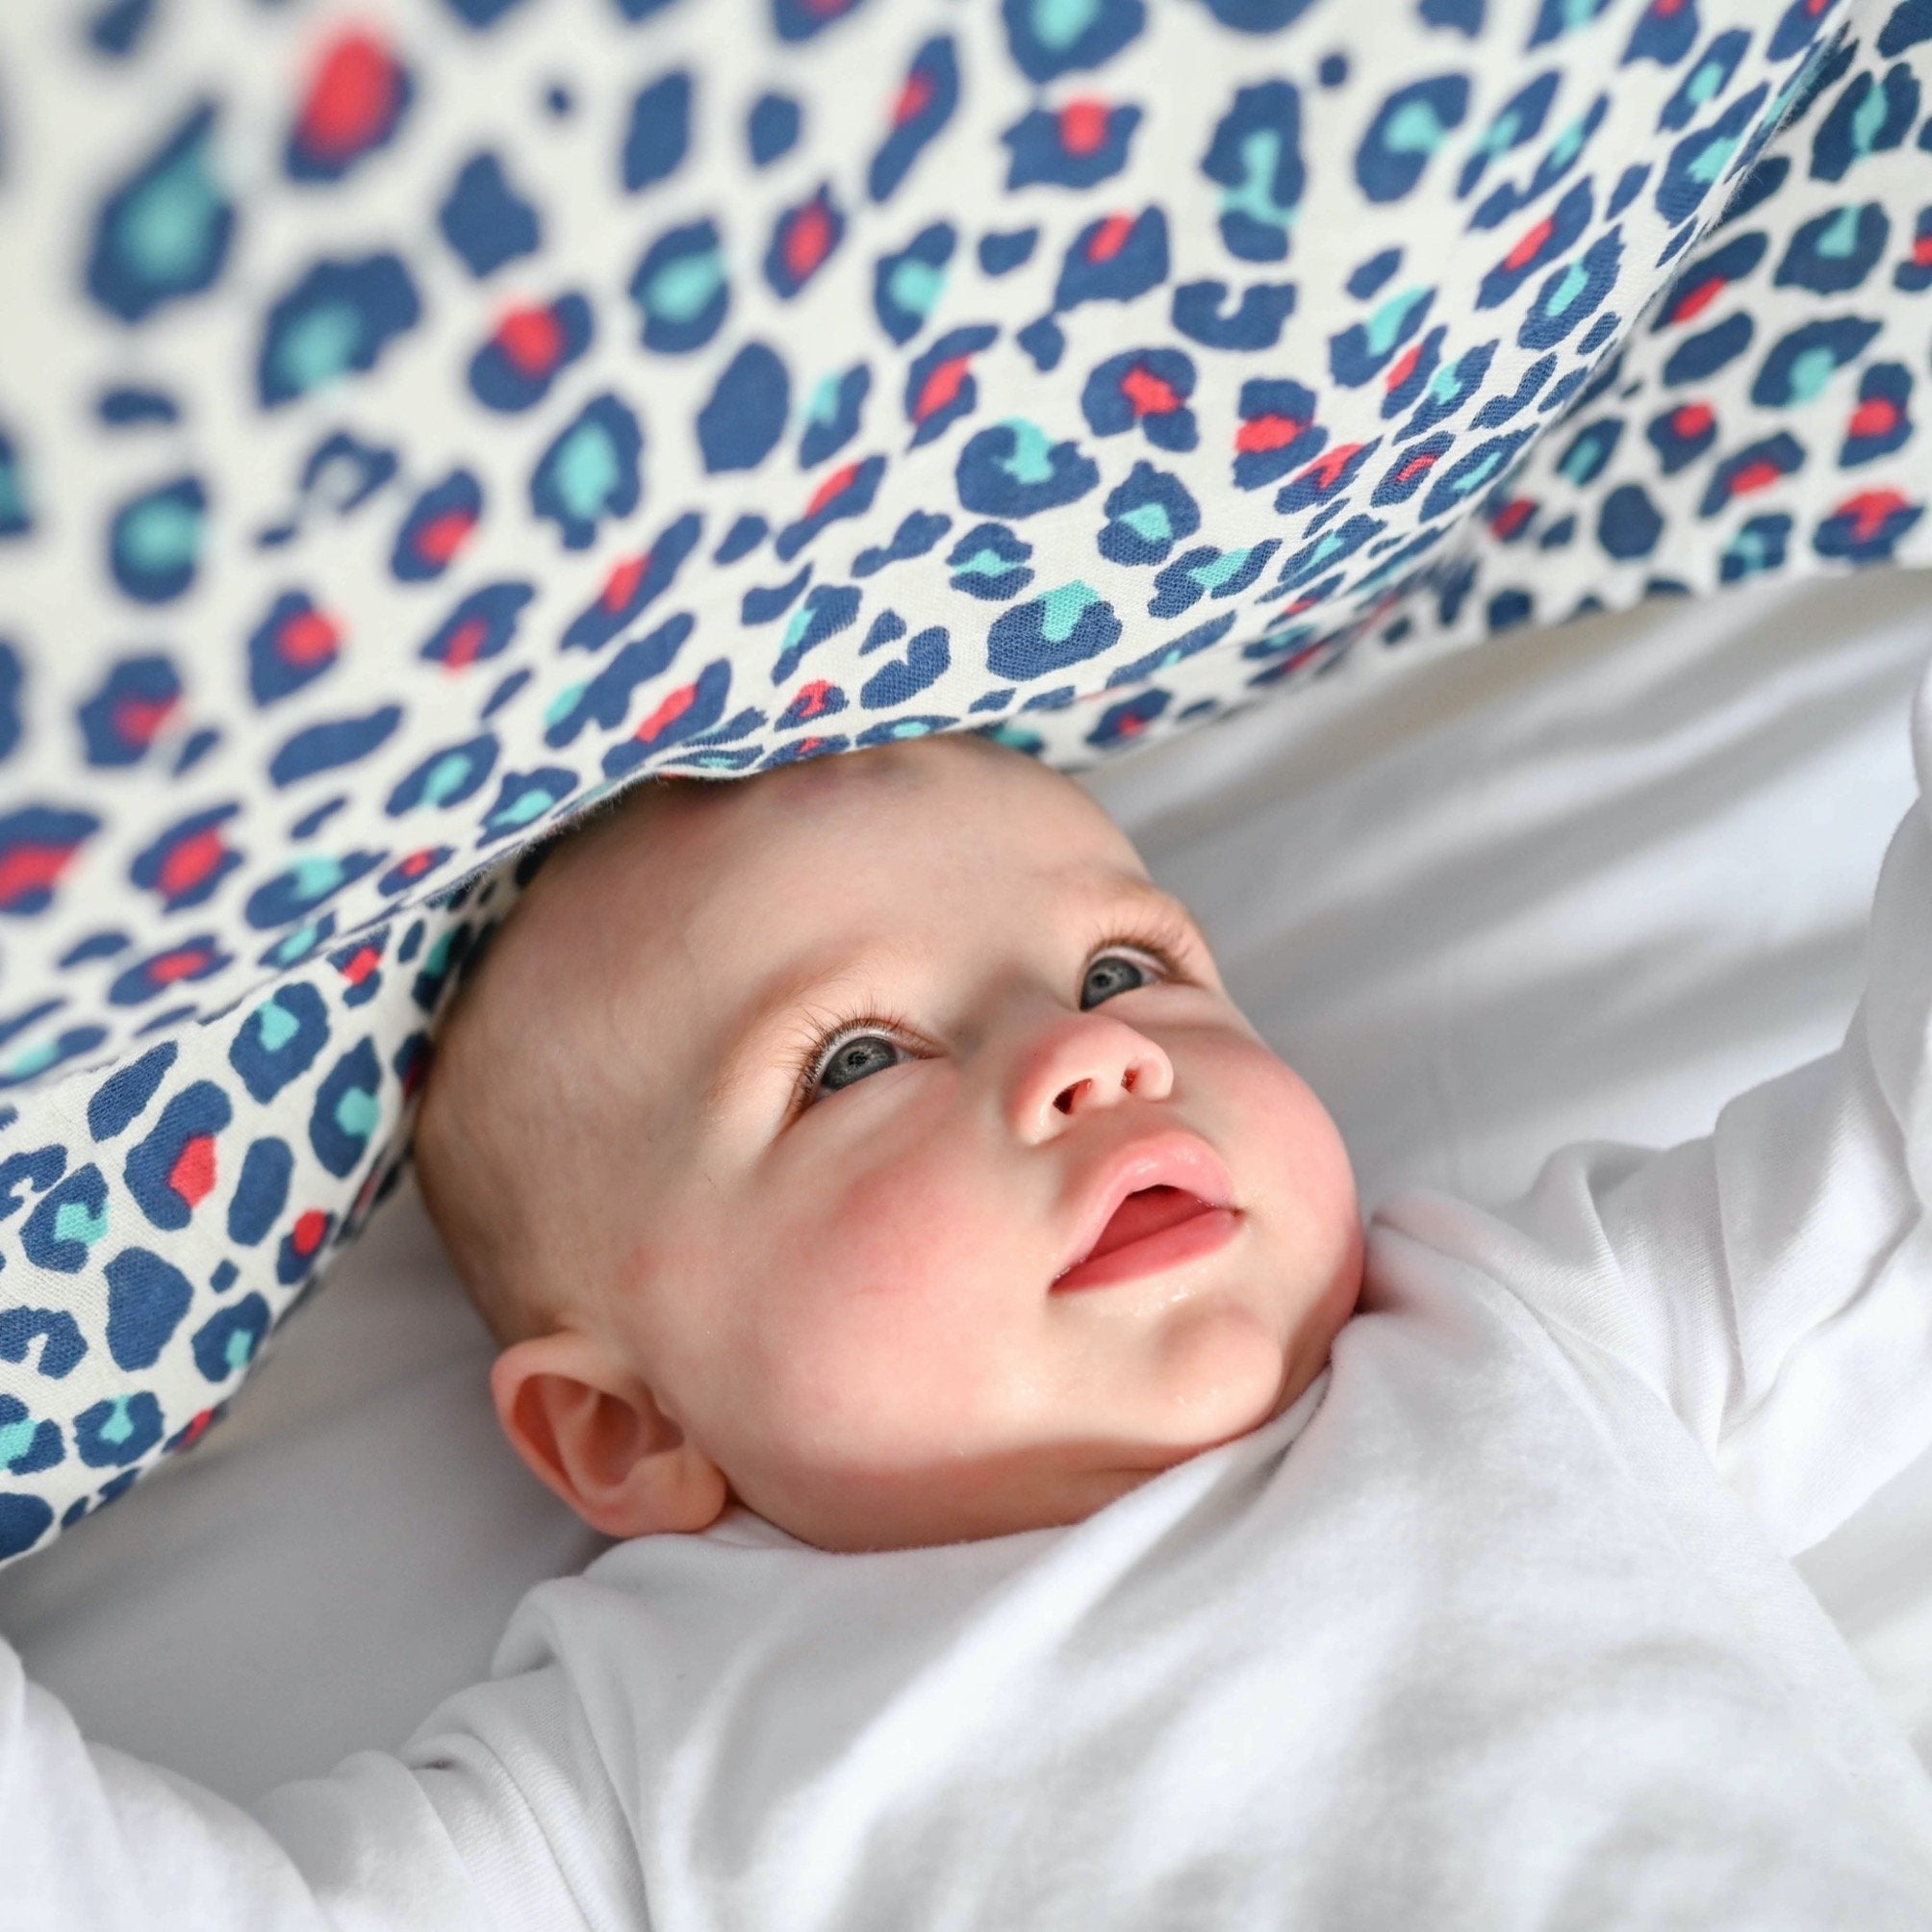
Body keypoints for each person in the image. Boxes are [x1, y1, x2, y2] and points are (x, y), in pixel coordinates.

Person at [9, 699, 1932, 1928]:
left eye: (1126, 966)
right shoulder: (640, 1752)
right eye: (853, 1058)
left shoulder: (1524, 1334)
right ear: (628, 1427)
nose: (1097, 1053)